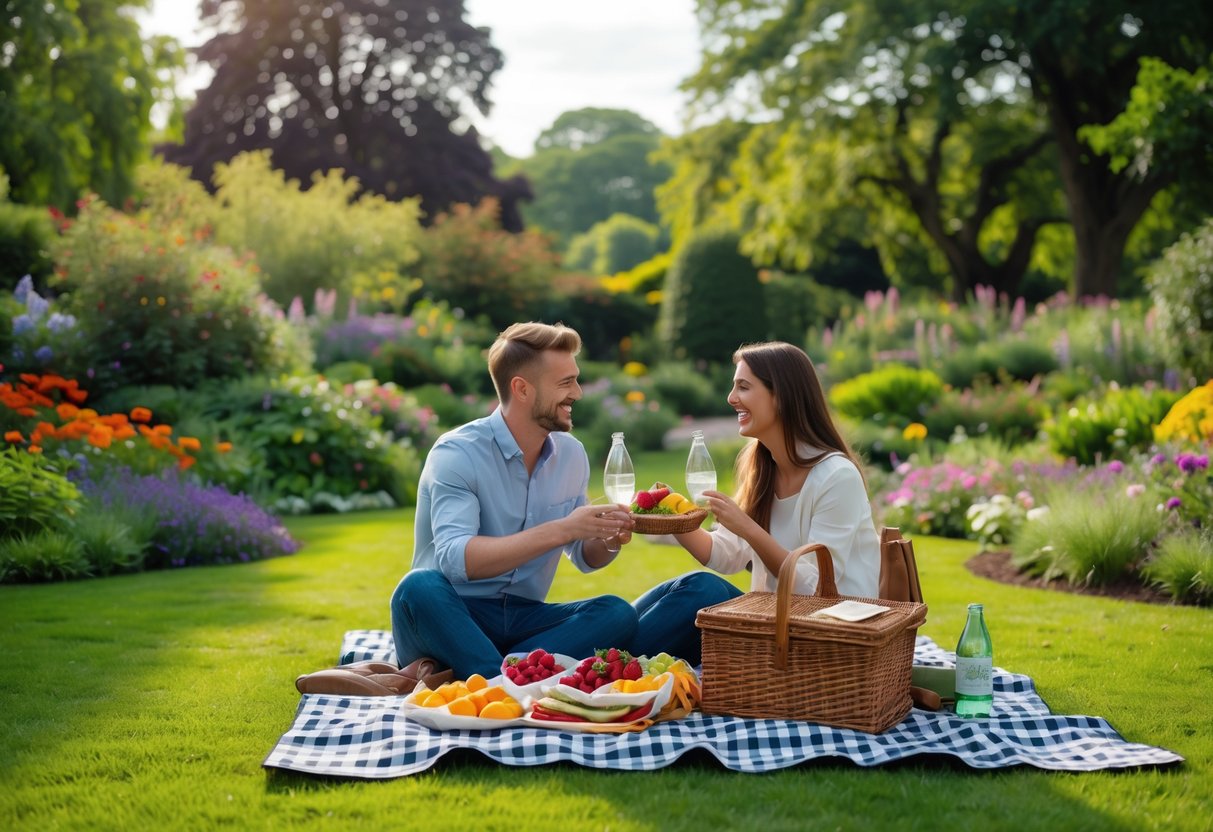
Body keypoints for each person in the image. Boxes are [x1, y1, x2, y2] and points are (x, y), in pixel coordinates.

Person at [390, 322, 638, 679]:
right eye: (566, 383)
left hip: (525, 617)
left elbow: (584, 557)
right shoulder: (457, 453)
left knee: (616, 613)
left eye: (576, 379)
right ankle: (513, 677)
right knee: (418, 586)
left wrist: (608, 539)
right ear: (521, 389)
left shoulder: (571, 455)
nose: (578, 393)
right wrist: (562, 529)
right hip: (452, 611)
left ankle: (491, 673)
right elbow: (457, 558)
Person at [630, 341, 880, 665]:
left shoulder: (836, 477)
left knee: (704, 591)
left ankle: (602, 660)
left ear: (781, 396)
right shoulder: (762, 466)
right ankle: (606, 657)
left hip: (832, 636)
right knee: (685, 589)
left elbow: (814, 590)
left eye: (743, 387)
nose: (731, 398)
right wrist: (672, 517)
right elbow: (725, 554)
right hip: (777, 626)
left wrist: (747, 527)